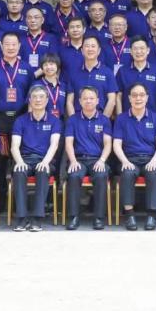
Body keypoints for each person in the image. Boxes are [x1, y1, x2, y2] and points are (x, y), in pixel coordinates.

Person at [113, 84, 156, 230]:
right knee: (127, 173)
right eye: (134, 95)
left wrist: (154, 161)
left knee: (153, 174)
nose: (138, 98)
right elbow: (116, 144)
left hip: (150, 158)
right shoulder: (121, 119)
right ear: (129, 98)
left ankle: (152, 215)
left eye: (142, 95)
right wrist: (124, 161)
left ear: (147, 98)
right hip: (129, 159)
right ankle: (129, 215)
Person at [9, 85, 62, 232]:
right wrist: (19, 162)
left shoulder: (54, 121)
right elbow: (14, 146)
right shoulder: (20, 120)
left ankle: (37, 218)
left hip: (45, 159)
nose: (38, 100)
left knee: (42, 172)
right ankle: (21, 217)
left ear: (47, 100)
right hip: (24, 158)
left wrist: (45, 162)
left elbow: (54, 145)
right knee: (19, 172)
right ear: (29, 100)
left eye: (41, 97)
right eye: (34, 97)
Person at [64, 87, 113, 230]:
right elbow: (68, 143)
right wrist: (73, 161)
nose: (88, 101)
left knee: (101, 175)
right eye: (85, 98)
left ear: (98, 101)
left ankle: (99, 218)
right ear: (79, 101)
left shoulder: (104, 120)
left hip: (97, 159)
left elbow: (108, 144)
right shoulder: (73, 120)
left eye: (91, 98)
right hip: (78, 159)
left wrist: (102, 160)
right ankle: (74, 217)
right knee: (73, 176)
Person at [116, 37, 156, 113]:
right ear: (131, 51)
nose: (139, 51)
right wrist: (119, 117)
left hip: (152, 116)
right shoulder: (122, 71)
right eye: (135, 49)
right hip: (127, 116)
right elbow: (118, 96)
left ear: (148, 50)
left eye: (142, 48)